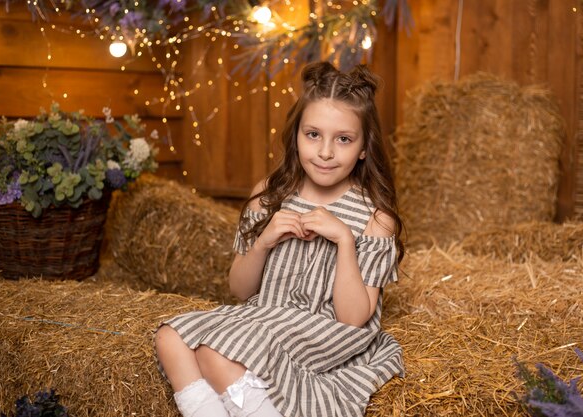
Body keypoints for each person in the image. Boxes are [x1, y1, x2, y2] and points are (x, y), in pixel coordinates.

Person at [155, 61, 406, 417]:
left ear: (364, 148)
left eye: (344, 139)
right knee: (169, 337)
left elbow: (353, 319)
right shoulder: (267, 196)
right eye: (313, 134)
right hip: (266, 316)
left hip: (325, 330)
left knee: (213, 353)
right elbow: (239, 291)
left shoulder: (375, 218)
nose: (325, 152)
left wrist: (344, 241)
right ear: (296, 135)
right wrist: (263, 241)